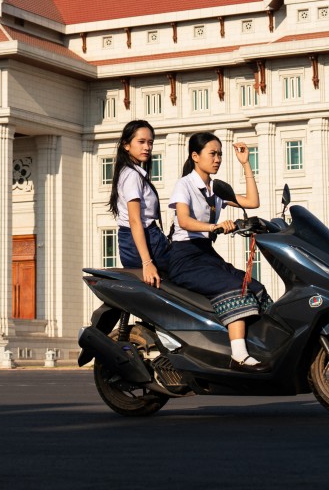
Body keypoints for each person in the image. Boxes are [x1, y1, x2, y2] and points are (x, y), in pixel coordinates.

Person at [167, 131, 271, 372]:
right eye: (212, 154)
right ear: (195, 156)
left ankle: (261, 347)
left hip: (206, 255)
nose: (217, 159)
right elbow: (184, 220)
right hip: (185, 257)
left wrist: (246, 164)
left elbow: (253, 202)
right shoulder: (185, 185)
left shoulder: (216, 189)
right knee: (237, 289)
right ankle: (239, 356)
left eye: (220, 154)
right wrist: (214, 226)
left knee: (255, 287)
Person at [108, 120, 169, 287]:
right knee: (188, 268)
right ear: (126, 145)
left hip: (137, 241)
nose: (147, 147)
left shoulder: (132, 173)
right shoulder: (132, 176)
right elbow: (135, 220)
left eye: (150, 142)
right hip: (143, 242)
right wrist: (147, 262)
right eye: (141, 142)